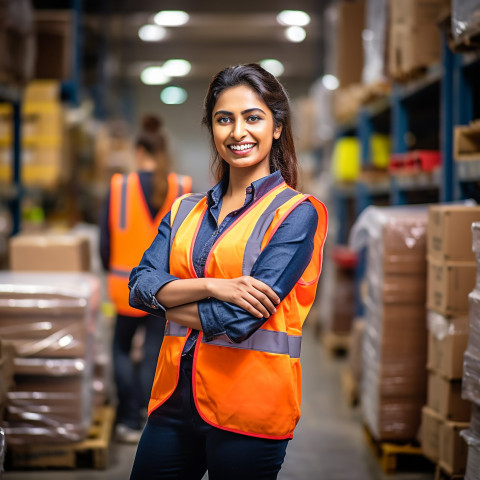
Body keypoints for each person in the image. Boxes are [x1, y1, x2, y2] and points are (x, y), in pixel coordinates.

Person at [128, 64, 328, 479]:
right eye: (224, 119)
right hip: (174, 402)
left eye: (253, 117)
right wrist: (212, 286)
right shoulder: (185, 209)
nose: (238, 132)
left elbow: (237, 319)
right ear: (213, 129)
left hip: (249, 409)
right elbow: (137, 285)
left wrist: (165, 300)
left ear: (276, 127)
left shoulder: (295, 214)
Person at [99, 114, 192, 443]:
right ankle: (147, 415)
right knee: (155, 352)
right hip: (168, 289)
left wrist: (110, 269)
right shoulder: (183, 187)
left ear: (139, 151)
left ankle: (127, 420)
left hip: (123, 288)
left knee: (122, 351)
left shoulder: (118, 187)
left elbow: (105, 244)